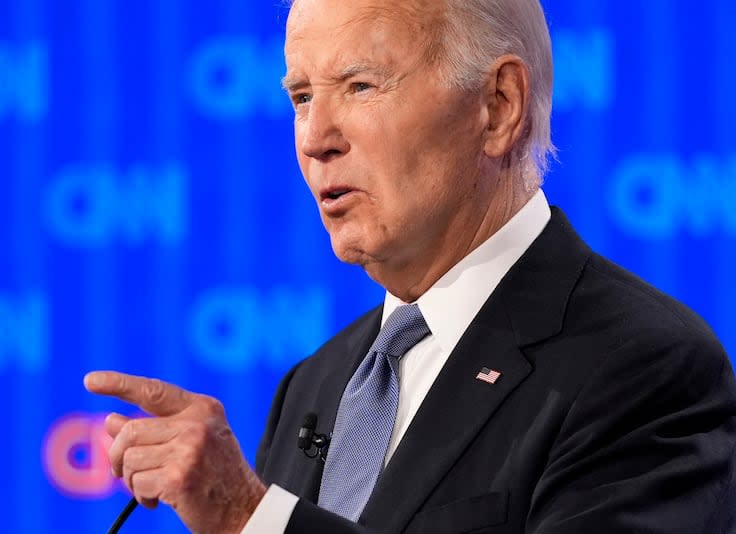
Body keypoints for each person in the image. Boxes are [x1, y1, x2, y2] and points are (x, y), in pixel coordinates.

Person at [84, 0, 736, 532]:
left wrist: (252, 519)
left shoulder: (642, 366)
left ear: (499, 106)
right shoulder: (314, 386)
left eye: (360, 85)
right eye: (303, 95)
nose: (315, 138)